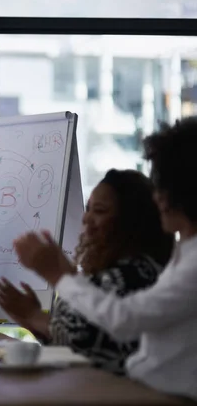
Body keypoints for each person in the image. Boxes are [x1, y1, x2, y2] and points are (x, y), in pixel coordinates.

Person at [11, 117, 197, 400]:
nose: (157, 199)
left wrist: (60, 276)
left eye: (163, 186)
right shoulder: (184, 252)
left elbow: (123, 320)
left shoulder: (177, 265)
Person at [0, 169, 174, 373]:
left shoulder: (137, 274)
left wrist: (36, 314)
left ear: (132, 221)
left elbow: (87, 339)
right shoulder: (108, 270)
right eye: (88, 209)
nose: (87, 218)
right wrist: (32, 321)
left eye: (100, 211)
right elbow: (75, 346)